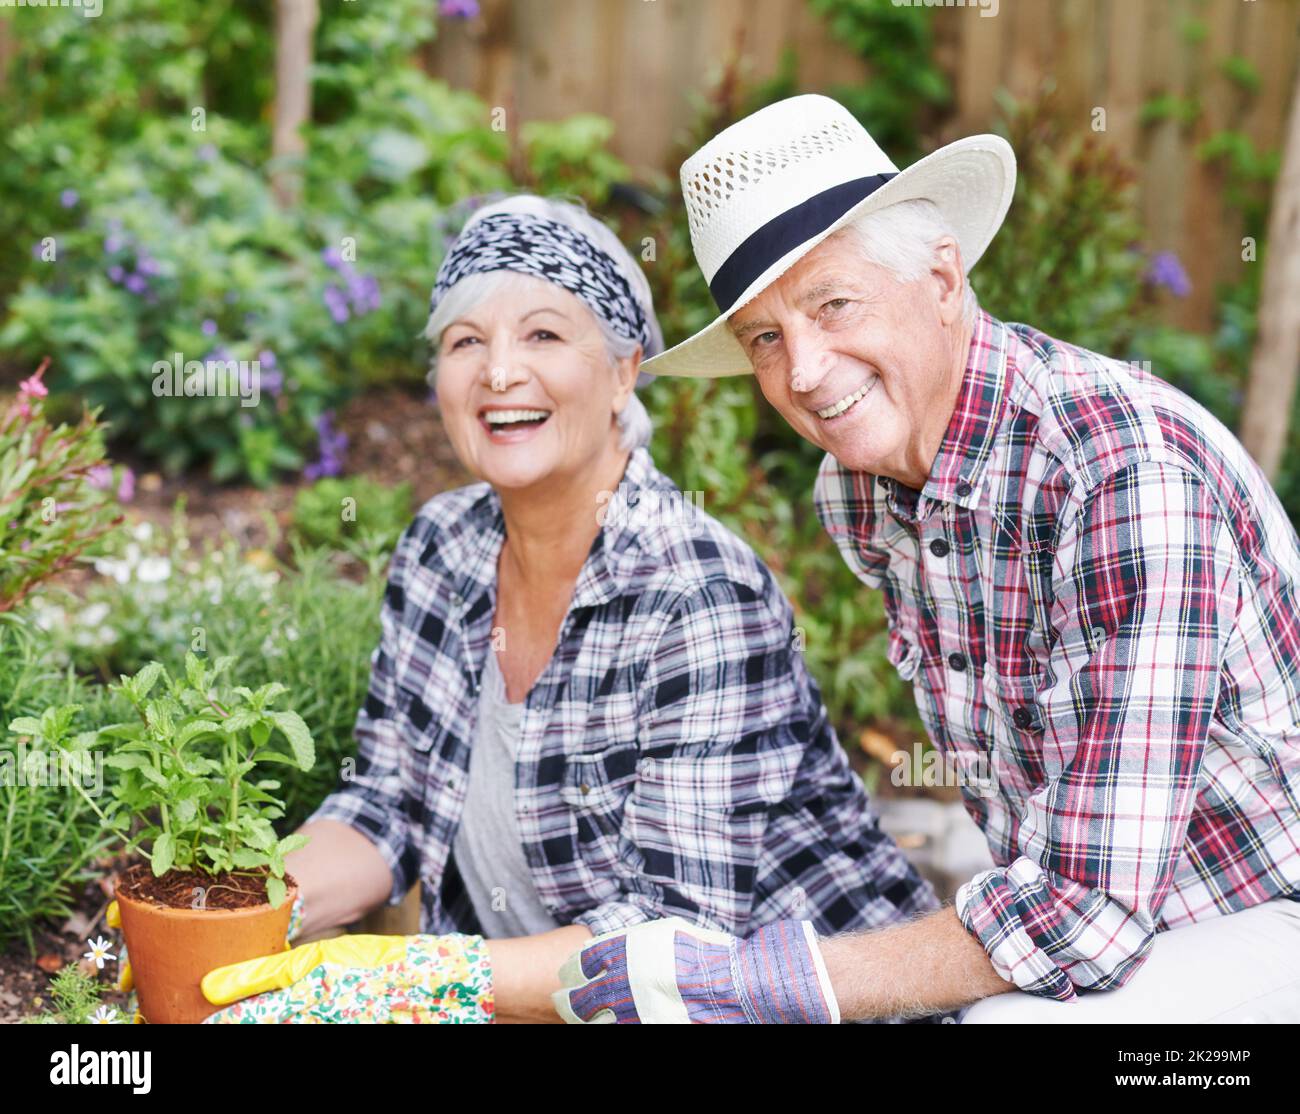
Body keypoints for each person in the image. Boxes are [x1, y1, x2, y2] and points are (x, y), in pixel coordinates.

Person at [554, 95, 1300, 1025]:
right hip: (1125, 915)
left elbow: (1085, 912)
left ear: (943, 279)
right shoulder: (860, 490)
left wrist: (764, 983)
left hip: (1267, 912)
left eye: (833, 304)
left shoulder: (1119, 477)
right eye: (764, 340)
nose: (806, 374)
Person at [198, 193, 936, 1024]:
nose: (500, 372)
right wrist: (243, 904)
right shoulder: (442, 548)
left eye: (544, 335)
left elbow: (671, 940)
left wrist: (408, 981)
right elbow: (388, 802)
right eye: (465, 341)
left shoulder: (696, 592)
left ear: (624, 370)